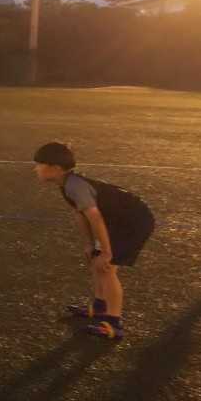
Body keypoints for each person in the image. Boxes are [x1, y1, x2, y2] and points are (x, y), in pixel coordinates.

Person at [33, 142, 155, 340]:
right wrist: (90, 244)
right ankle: (99, 308)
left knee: (106, 268)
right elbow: (80, 215)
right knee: (95, 261)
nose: (36, 169)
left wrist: (106, 252)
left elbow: (95, 218)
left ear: (55, 168)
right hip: (117, 221)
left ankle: (114, 324)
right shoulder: (66, 184)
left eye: (39, 165)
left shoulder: (75, 186)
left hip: (133, 222)